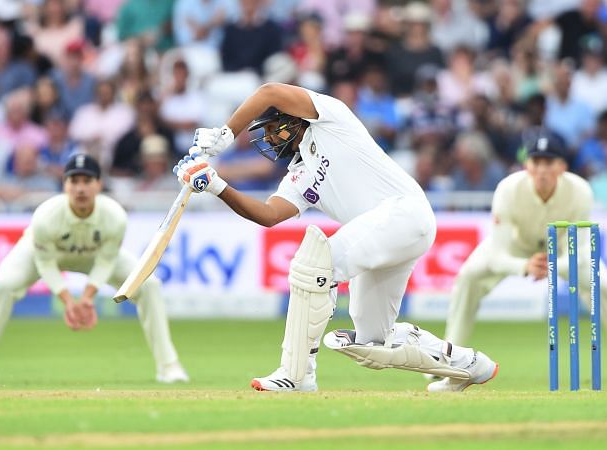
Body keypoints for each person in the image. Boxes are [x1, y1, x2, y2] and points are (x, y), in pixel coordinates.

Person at [173, 82, 499, 393]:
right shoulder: (298, 177)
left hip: (404, 213)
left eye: (275, 129)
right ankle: (470, 364)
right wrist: (217, 186)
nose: (271, 140)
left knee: (317, 264)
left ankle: (297, 374)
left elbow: (269, 91)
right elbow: (268, 215)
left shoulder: (331, 117)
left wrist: (225, 134)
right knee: (374, 344)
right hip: (386, 233)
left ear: (294, 117)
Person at [439, 129, 607, 384]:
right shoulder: (508, 189)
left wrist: (552, 264)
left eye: (549, 163)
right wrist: (524, 266)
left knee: (604, 286)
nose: (542, 170)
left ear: (562, 167)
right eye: (536, 162)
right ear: (527, 165)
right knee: (469, 275)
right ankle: (447, 362)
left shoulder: (580, 190)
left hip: (562, 251)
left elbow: (581, 253)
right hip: (517, 248)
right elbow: (496, 254)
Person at [0, 154, 188, 385]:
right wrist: (69, 302)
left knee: (148, 285)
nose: (80, 189)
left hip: (94, 255)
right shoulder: (46, 216)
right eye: (74, 181)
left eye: (87, 181)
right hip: (44, 254)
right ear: (65, 185)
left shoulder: (115, 216)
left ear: (99, 184)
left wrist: (86, 299)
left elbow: (106, 261)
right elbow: (45, 263)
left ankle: (169, 366)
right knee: (2, 286)